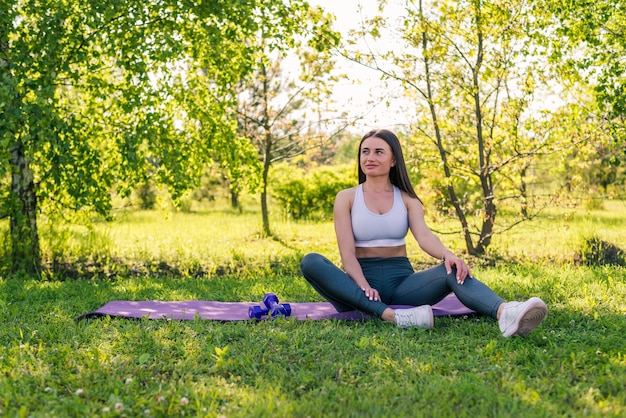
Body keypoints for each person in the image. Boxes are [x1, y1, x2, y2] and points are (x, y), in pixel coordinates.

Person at [300, 129, 547, 336]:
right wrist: (364, 287)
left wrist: (447, 254)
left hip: (402, 285)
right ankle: (390, 316)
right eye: (365, 151)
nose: (370, 157)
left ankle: (506, 313)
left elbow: (425, 236)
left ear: (393, 160)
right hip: (357, 289)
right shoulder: (346, 198)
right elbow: (347, 254)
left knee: (452, 268)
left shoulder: (408, 200)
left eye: (378, 151)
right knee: (311, 261)